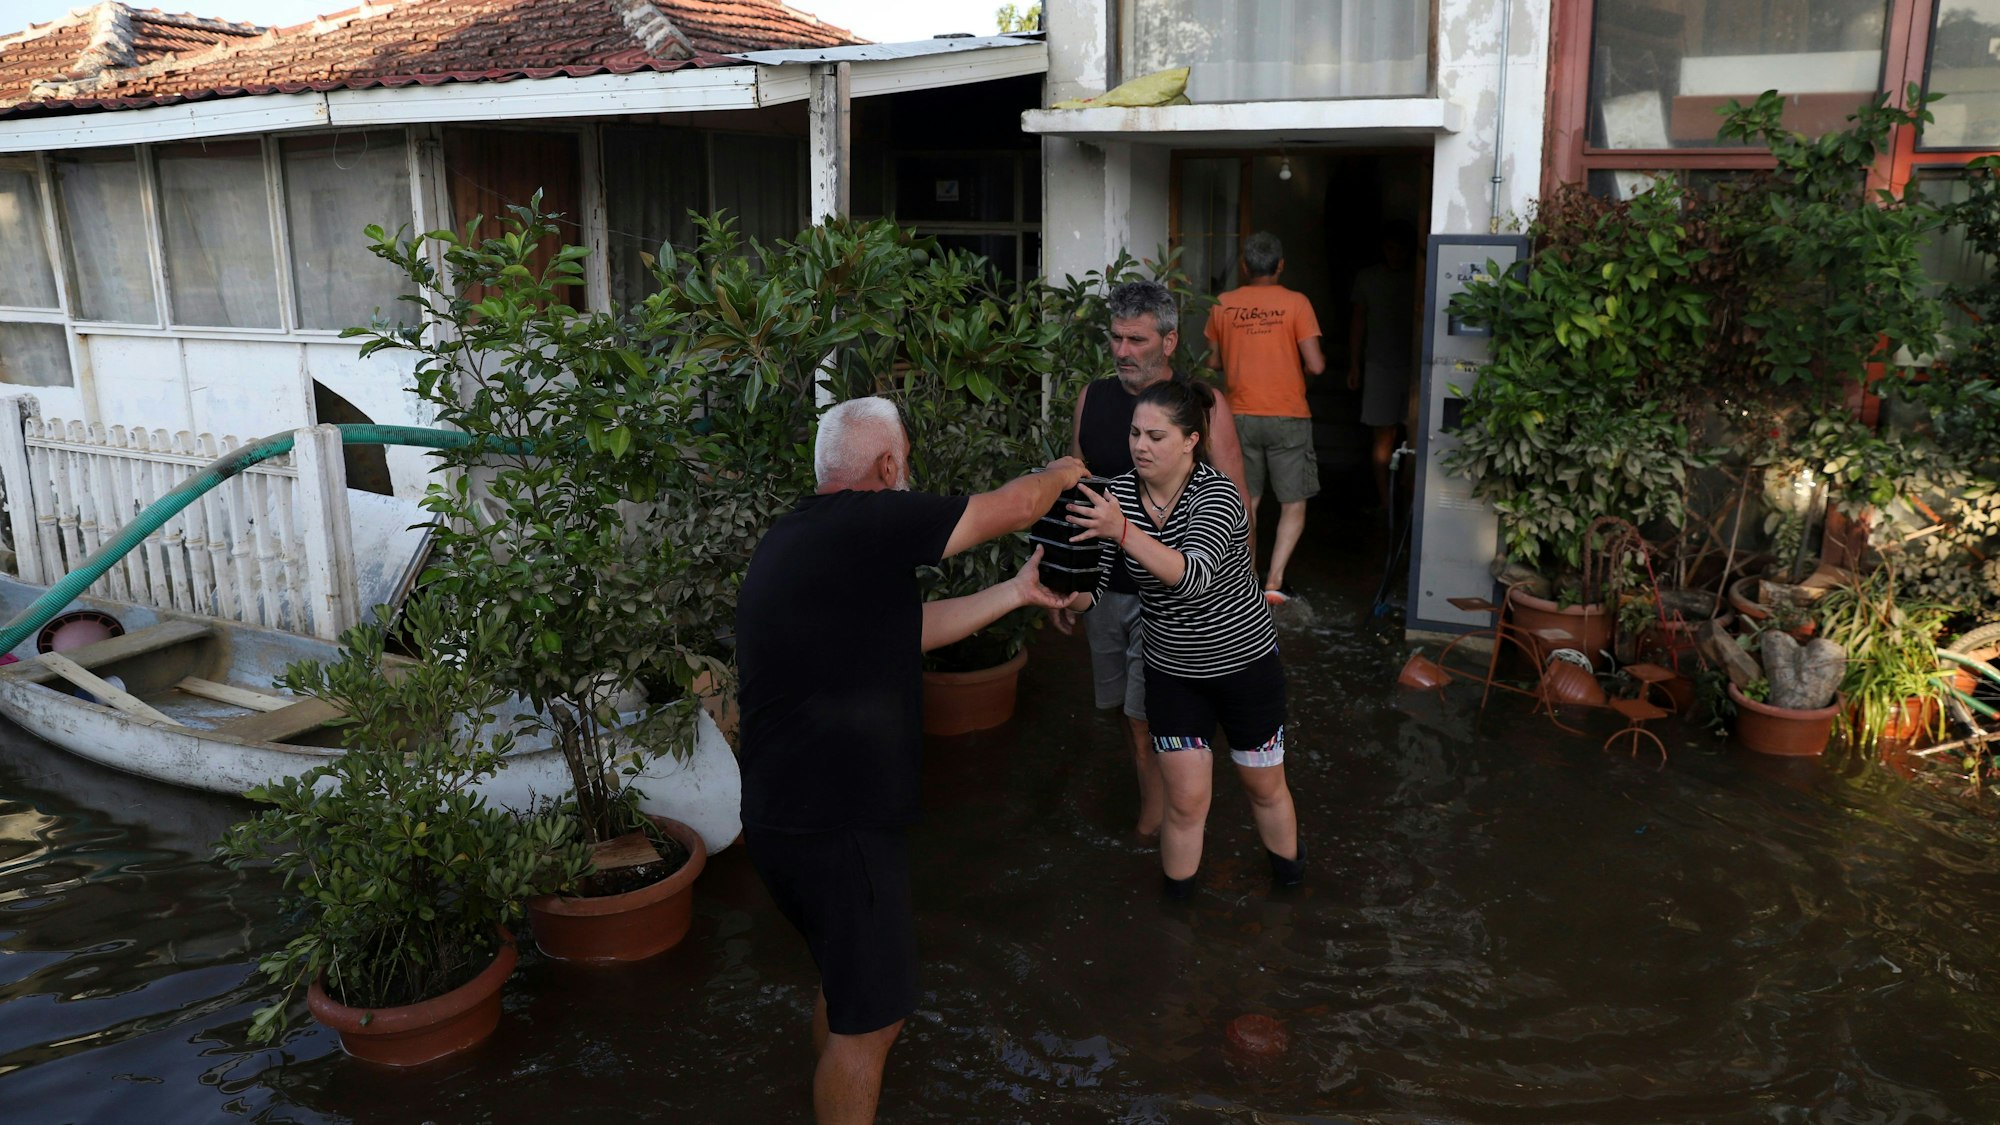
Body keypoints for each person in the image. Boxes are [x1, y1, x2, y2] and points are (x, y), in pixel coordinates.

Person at [735, 397, 1086, 1125]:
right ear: (888, 465)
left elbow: (903, 631)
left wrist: (1018, 592)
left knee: (845, 991)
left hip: (786, 817)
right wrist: (1063, 471)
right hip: (839, 824)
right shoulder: (867, 521)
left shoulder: (800, 539)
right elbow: (1018, 504)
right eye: (906, 462)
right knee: (873, 1024)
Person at [1062, 378, 1304, 899]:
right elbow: (1099, 584)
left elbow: (1191, 577)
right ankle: (1176, 924)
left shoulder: (1218, 496)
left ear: (1191, 440)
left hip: (1244, 667)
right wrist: (1063, 595)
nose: (1140, 446)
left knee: (1263, 788)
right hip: (1172, 671)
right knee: (1185, 801)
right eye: (1134, 434)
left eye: (1155, 436)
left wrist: (1121, 530)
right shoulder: (1120, 492)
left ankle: (1291, 886)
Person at [1053, 279, 1249, 839]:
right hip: (1105, 594)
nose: (1121, 351)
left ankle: (1155, 832)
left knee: (1149, 720)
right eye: (1115, 338)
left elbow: (1236, 502)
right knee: (1124, 714)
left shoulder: (1203, 406)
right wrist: (1064, 579)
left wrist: (1244, 596)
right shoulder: (1093, 398)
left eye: (1136, 339)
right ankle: (1163, 818)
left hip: (1177, 596)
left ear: (1168, 342)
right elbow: (1079, 494)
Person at [1203, 231, 1327, 604]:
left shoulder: (1222, 303)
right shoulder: (1297, 304)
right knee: (1293, 501)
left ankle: (1245, 578)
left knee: (1245, 499)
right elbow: (1317, 365)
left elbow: (1212, 362)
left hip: (1238, 414)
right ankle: (1273, 582)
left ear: (1244, 266)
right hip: (1288, 415)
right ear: (1280, 265)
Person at [1348, 220, 1420, 510]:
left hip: (1414, 368)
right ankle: (1385, 503)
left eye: (1401, 249)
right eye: (1390, 249)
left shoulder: (1419, 277)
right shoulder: (1368, 278)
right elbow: (1358, 322)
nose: (1396, 255)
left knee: (1413, 436)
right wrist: (1354, 365)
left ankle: (1406, 496)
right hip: (1379, 365)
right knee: (1383, 437)